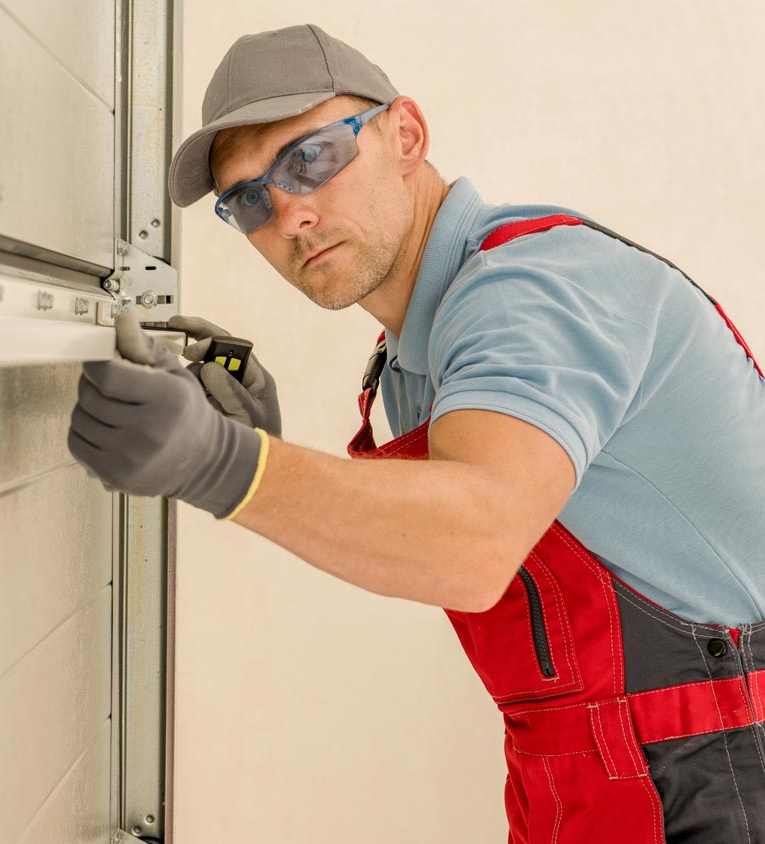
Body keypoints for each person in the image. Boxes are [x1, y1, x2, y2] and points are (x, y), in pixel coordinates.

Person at [67, 23, 765, 842]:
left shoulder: (528, 288)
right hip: (583, 779)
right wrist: (272, 462)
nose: (289, 212)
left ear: (407, 134)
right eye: (249, 199)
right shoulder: (409, 363)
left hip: (718, 774)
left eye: (311, 158)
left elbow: (472, 543)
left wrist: (229, 465)